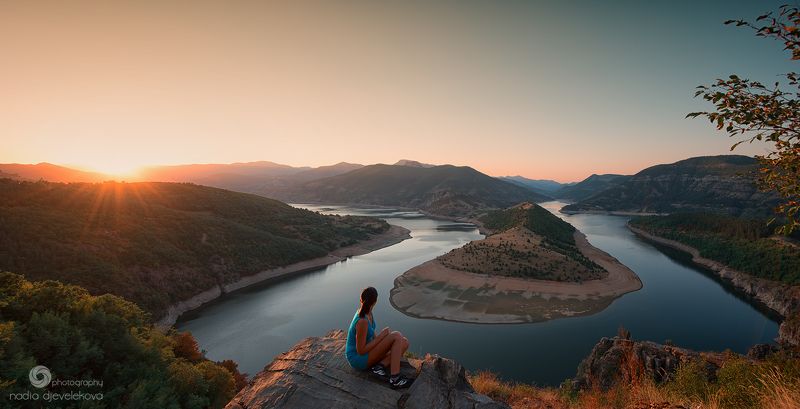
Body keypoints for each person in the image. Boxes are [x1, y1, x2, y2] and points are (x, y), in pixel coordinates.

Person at [344, 286, 412, 388]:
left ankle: (379, 367)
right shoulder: (362, 320)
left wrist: (383, 340)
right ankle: (395, 379)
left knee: (404, 342)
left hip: (367, 351)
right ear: (375, 301)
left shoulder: (369, 312)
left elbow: (371, 334)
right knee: (397, 335)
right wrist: (381, 337)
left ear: (360, 299)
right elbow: (360, 351)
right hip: (357, 359)